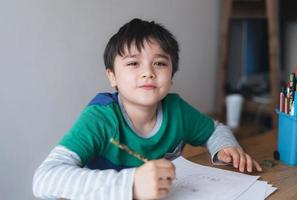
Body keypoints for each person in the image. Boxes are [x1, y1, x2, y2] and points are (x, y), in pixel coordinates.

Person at [33, 18, 262, 200]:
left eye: (160, 63)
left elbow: (214, 129)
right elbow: (44, 180)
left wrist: (225, 146)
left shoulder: (176, 110)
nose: (148, 72)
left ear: (171, 76)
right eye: (133, 63)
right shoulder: (101, 118)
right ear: (112, 76)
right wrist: (131, 185)